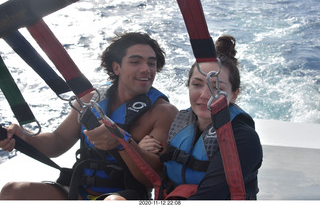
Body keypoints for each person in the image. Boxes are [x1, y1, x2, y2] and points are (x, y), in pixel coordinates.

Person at [0, 32, 178, 200]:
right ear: (116, 67)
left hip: (124, 195)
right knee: (13, 192)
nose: (146, 69)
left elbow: (155, 177)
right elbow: (57, 142)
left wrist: (123, 142)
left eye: (151, 63)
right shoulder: (89, 100)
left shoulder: (163, 112)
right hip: (78, 190)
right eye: (135, 62)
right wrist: (23, 137)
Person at [135, 35, 263, 200]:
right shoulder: (180, 123)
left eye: (216, 87)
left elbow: (208, 197)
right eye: (197, 84)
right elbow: (161, 172)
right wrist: (142, 149)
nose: (205, 95)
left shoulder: (243, 138)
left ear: (234, 95)